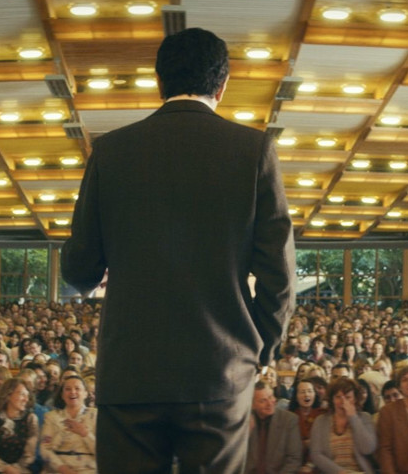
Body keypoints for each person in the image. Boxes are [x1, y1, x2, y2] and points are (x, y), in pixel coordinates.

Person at [60, 26, 295, 473]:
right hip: (219, 370)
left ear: (159, 82)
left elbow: (80, 268)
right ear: (222, 86)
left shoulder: (111, 151)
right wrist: (258, 350)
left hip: (131, 372)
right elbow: (279, 276)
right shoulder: (254, 150)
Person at [308, 378, 375, 474]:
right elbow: (316, 454)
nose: (342, 402)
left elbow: (368, 449)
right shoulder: (321, 421)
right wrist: (340, 472)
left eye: (347, 397)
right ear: (332, 399)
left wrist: (353, 417)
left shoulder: (365, 418)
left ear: (355, 399)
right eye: (338, 397)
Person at [40, 376, 96, 473]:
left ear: (85, 393)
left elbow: (103, 451)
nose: (72, 392)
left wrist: (85, 433)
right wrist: (63, 469)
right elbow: (44, 450)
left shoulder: (95, 415)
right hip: (58, 469)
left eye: (77, 388)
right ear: (62, 395)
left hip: (88, 469)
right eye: (68, 389)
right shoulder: (51, 417)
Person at [0, 378, 38, 474]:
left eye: (27, 396)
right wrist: (5, 468)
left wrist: (15, 469)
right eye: (22, 394)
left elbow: (30, 454)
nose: (26, 399)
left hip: (21, 470)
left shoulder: (30, 419)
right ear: (8, 395)